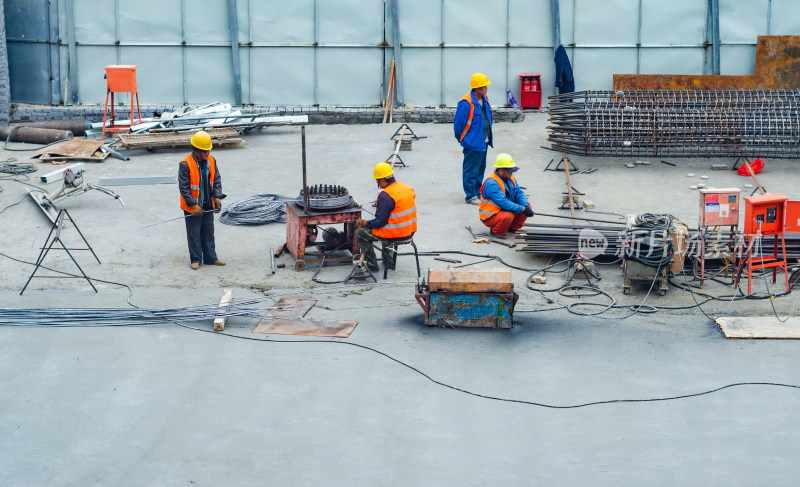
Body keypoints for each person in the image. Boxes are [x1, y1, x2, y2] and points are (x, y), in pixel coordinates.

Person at [356, 162, 417, 272]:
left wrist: (365, 224)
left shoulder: (385, 195)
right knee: (384, 230)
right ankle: (388, 262)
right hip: (409, 231)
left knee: (360, 233)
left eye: (377, 181)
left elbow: (380, 221)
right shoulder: (407, 188)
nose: (377, 184)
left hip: (396, 234)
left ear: (383, 180)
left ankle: (372, 266)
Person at [179, 130, 225, 270]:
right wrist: (193, 204)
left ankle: (211, 258)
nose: (208, 154)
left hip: (207, 203)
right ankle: (196, 259)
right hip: (192, 206)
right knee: (194, 234)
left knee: (208, 232)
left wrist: (217, 197)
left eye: (209, 151)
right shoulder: (185, 164)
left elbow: (216, 180)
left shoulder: (211, 160)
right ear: (197, 151)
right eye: (205, 151)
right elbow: (184, 188)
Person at [453, 72, 493, 205]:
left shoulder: (484, 99)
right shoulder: (466, 103)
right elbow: (458, 125)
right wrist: (464, 140)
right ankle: (470, 196)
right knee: (471, 170)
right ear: (477, 88)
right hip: (472, 144)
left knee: (481, 168)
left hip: (484, 141)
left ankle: (476, 192)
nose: (486, 88)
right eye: (484, 86)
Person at [479, 153, 533, 237]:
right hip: (490, 216)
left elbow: (518, 192)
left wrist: (525, 206)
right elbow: (503, 203)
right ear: (501, 171)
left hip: (503, 209)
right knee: (509, 215)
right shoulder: (492, 183)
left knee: (527, 205)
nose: (512, 173)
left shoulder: (509, 177)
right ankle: (496, 231)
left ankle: (512, 227)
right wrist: (522, 209)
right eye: (510, 171)